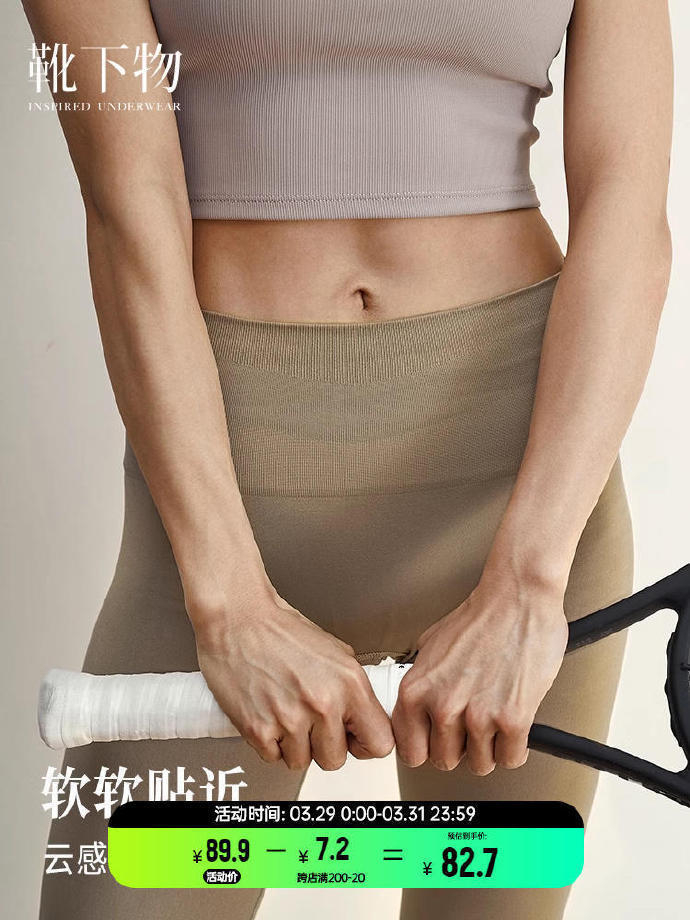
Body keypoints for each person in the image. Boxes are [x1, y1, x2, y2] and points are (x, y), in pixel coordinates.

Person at [24, 0, 673, 917]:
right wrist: (229, 605)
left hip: (524, 525)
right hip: (216, 535)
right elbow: (128, 210)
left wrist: (529, 583)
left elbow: (628, 212)